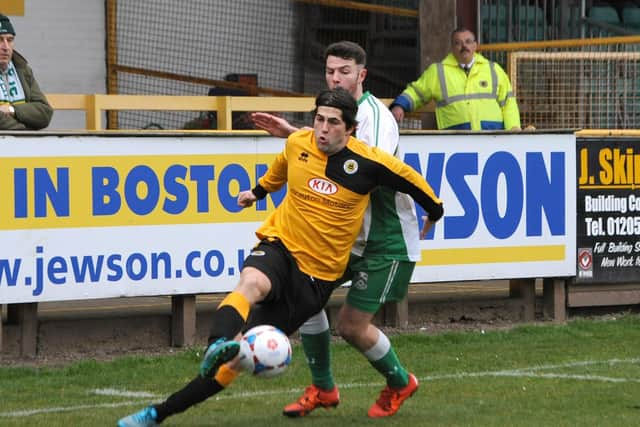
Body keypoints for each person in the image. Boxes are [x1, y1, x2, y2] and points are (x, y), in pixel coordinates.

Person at [117, 87, 444, 427]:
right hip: (281, 246)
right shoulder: (298, 143)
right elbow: (280, 170)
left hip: (315, 279)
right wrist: (257, 192)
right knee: (251, 282)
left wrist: (434, 210)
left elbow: (412, 181)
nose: (323, 129)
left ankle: (160, 412)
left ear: (350, 129)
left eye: (333, 123)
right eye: (319, 119)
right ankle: (216, 344)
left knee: (237, 364)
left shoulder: (369, 163)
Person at [252, 40, 423, 418]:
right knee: (306, 295)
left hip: (382, 240)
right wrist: (297, 135)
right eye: (330, 71)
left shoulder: (376, 119)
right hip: (342, 239)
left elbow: (358, 167)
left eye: (344, 71)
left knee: (351, 326)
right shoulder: (331, 117)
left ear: (362, 75)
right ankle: (323, 389)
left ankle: (400, 381)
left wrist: (298, 136)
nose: (336, 78)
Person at [390, 27, 521, 131]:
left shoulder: (494, 69)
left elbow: (508, 102)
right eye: (458, 43)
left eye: (468, 42)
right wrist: (400, 105)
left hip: (494, 139)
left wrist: (513, 129)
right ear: (452, 48)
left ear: (476, 45)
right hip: (455, 142)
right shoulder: (438, 71)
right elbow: (417, 92)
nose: (464, 46)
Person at [0, 14, 52, 130]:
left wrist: (12, 110)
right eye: (0, 40)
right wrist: (25, 130)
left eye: (10, 40)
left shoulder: (23, 69)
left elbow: (45, 112)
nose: (6, 47)